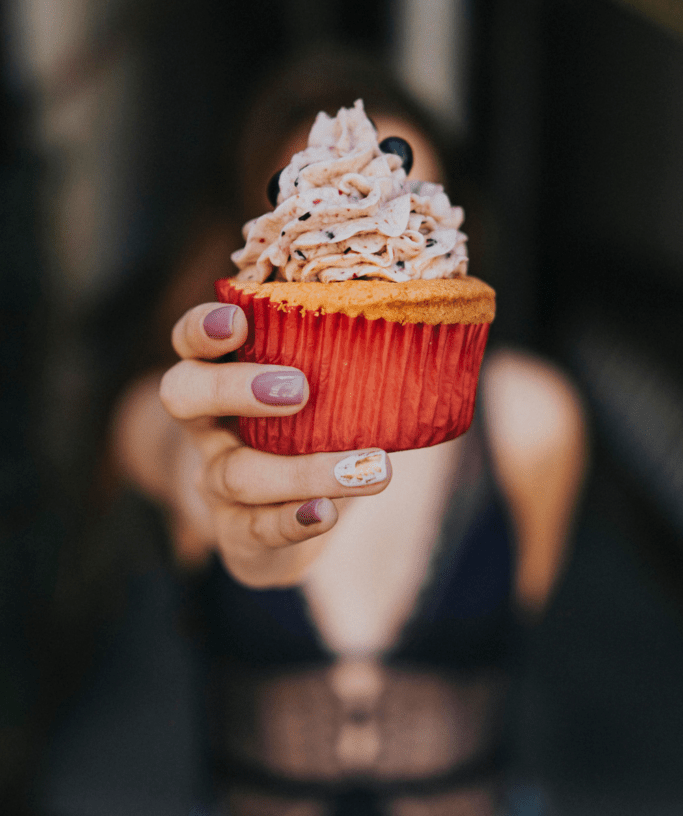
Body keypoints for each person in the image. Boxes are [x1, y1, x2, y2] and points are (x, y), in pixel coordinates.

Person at [107, 49, 587, 815]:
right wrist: (220, 488)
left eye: (405, 204)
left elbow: (520, 607)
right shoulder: (190, 414)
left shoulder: (533, 418)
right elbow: (165, 450)